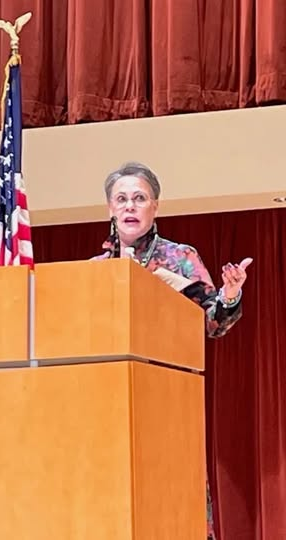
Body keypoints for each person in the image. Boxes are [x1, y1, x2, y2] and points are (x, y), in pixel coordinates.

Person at [94, 162, 252, 540]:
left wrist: (229, 296)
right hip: (109, 404)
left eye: (139, 198)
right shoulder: (97, 270)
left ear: (155, 207)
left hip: (168, 396)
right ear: (110, 209)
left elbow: (213, 323)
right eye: (122, 199)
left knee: (174, 495)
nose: (130, 206)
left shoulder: (181, 257)